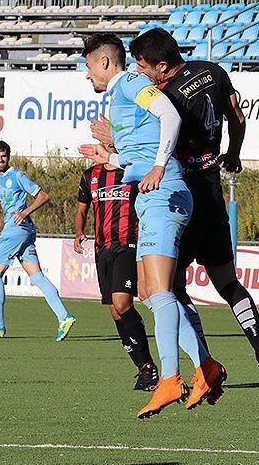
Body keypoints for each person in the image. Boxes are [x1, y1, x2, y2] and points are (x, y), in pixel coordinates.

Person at [90, 27, 259, 394]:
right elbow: (237, 119)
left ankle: (204, 364)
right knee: (228, 283)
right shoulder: (213, 71)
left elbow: (160, 135)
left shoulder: (166, 94)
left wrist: (114, 140)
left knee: (165, 289)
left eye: (144, 66)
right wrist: (233, 154)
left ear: (162, 66)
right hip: (212, 192)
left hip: (178, 193)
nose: (140, 71)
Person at [79, 33, 225, 419]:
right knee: (151, 292)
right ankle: (206, 367)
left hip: (165, 192)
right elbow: (139, 153)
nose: (88, 73)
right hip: (150, 196)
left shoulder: (128, 83)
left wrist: (160, 164)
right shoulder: (121, 96)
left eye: (90, 65)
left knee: (159, 294)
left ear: (106, 63)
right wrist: (111, 157)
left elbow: (170, 115)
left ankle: (170, 379)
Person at [0, 140, 77, 341]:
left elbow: (43, 196)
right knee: (36, 276)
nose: (0, 159)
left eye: (3, 156)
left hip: (16, 229)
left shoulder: (17, 176)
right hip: (24, 231)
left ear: (8, 156)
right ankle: (64, 317)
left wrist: (25, 211)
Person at [75, 163, 159, 391]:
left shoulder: (132, 171)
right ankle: (144, 367)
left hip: (127, 244)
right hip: (102, 249)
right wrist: (79, 232)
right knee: (114, 309)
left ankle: (151, 369)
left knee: (123, 303)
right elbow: (82, 210)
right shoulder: (90, 175)